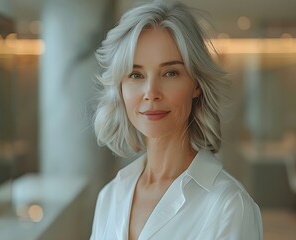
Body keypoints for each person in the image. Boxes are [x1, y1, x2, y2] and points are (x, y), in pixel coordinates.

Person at [90, 1, 263, 239]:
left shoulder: (229, 206)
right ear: (120, 88)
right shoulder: (109, 196)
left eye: (170, 73)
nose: (151, 92)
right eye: (136, 74)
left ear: (196, 85)